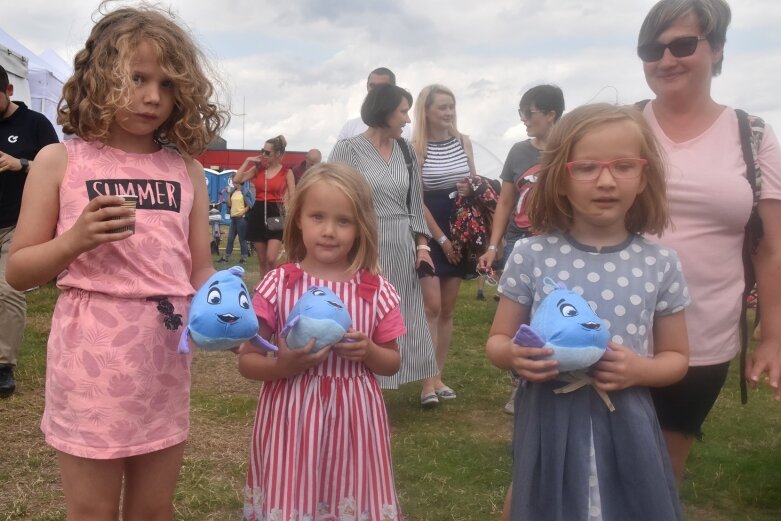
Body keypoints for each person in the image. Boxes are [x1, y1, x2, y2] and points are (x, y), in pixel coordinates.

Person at [5, 5, 227, 519]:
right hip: (90, 359)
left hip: (164, 356)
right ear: (99, 76)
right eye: (136, 78)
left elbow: (197, 267)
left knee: (154, 508)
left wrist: (222, 299)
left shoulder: (186, 170)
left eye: (168, 84)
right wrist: (73, 241)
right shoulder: (60, 161)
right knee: (92, 511)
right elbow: (19, 270)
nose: (153, 96)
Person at [486, 103, 689, 520]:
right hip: (549, 416)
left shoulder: (660, 262)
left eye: (623, 166)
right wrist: (514, 356)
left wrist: (640, 370)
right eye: (587, 168)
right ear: (560, 179)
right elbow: (497, 341)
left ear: (643, 176)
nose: (606, 180)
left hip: (626, 418)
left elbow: (677, 358)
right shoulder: (532, 254)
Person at [636, 0, 781, 484]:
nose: (665, 59)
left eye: (682, 44)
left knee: (662, 470)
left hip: (704, 337)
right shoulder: (623, 126)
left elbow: (770, 247)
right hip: (612, 328)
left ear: (717, 51)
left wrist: (773, 333)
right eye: (651, 49)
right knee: (587, 459)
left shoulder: (753, 134)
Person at [238, 162, 404, 520]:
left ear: (361, 227)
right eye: (318, 217)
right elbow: (247, 360)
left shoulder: (375, 290)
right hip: (291, 420)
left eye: (343, 221)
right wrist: (283, 365)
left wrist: (369, 352)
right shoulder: (278, 285)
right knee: (293, 498)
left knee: (352, 496)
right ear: (298, 219)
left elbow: (392, 362)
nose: (329, 231)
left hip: (354, 424)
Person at [330, 83, 438, 391]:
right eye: (403, 112)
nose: (407, 119)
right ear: (384, 111)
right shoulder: (348, 149)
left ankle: (409, 378)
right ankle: (361, 379)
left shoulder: (405, 150)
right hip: (365, 242)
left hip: (402, 243)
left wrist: (422, 245)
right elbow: (332, 195)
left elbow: (415, 200)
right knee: (364, 309)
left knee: (403, 312)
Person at [478, 84, 565, 414]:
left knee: (552, 309)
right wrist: (493, 245)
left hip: (558, 242)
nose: (524, 120)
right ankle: (521, 384)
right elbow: (505, 201)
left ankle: (557, 372)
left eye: (528, 113)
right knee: (517, 316)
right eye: (521, 114)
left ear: (550, 114)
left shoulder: (569, 149)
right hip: (519, 242)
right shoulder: (518, 152)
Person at [411, 84, 477, 406]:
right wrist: (440, 238)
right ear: (426, 111)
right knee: (430, 307)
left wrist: (470, 188)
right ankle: (426, 382)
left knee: (448, 309)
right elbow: (416, 199)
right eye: (442, 107)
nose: (448, 112)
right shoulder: (415, 147)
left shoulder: (464, 142)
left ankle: (439, 376)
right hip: (429, 228)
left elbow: (475, 185)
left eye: (451, 106)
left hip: (460, 225)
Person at [0, 64, 59, 398]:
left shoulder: (35, 125)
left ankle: (3, 365)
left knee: (7, 291)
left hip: (16, 223)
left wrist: (20, 163)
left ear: (9, 92)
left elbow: (59, 167)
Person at [233, 135, 295, 277]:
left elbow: (293, 196)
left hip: (276, 212)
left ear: (278, 154)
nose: (263, 155)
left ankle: (272, 288)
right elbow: (237, 179)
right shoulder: (258, 169)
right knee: (262, 260)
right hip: (258, 211)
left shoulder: (287, 172)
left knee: (271, 258)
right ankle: (262, 291)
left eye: (267, 152)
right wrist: (247, 160)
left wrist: (292, 216)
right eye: (262, 151)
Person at [337, 67, 412, 140]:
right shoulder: (350, 128)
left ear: (393, 89)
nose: (375, 91)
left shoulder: (405, 131)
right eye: (372, 86)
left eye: (381, 87)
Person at [217, 173, 253, 264]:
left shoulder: (246, 191)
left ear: (239, 181)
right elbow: (229, 204)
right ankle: (226, 258)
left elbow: (250, 205)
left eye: (234, 180)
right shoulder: (233, 191)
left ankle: (244, 258)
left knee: (242, 240)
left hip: (242, 219)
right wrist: (228, 194)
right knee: (230, 238)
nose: (232, 183)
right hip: (234, 219)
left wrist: (243, 212)